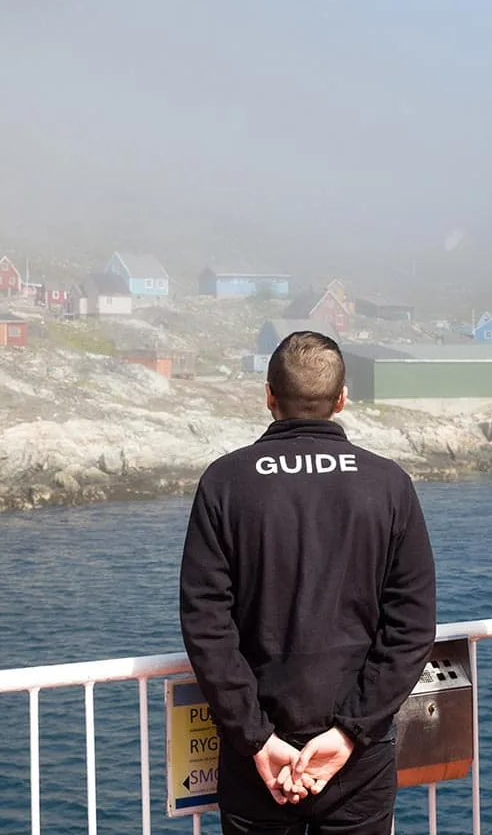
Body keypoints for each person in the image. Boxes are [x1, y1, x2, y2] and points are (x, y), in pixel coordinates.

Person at [179, 330, 438, 834]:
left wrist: (256, 738)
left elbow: (206, 623)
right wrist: (348, 734)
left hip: (258, 759)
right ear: (341, 399)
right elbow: (411, 626)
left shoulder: (225, 482)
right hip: (357, 760)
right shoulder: (388, 484)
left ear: (269, 395)